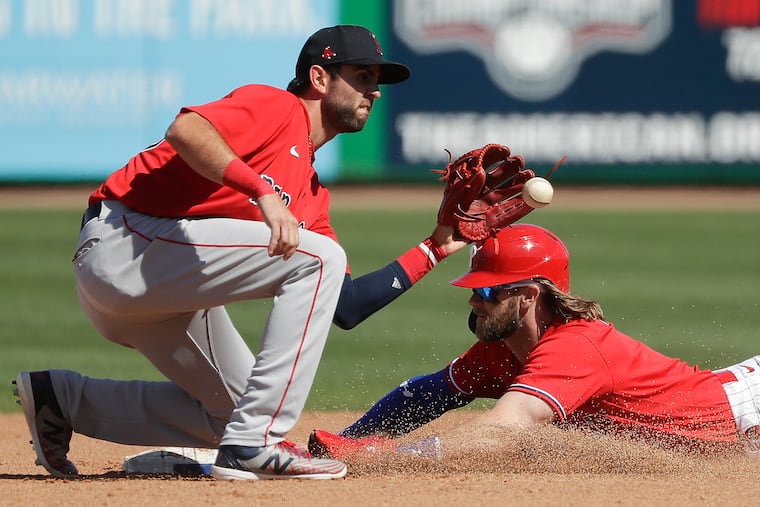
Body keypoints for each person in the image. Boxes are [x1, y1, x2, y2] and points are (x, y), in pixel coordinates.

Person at [12, 25, 468, 481]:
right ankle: (256, 442)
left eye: (376, 81)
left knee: (233, 412)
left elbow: (344, 306)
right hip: (124, 244)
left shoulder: (311, 193)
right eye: (362, 76)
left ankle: (61, 399)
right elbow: (186, 129)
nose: (375, 91)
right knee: (319, 259)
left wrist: (435, 248)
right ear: (320, 78)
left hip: (160, 285)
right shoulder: (277, 107)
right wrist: (261, 192)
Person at [309, 224, 760, 459]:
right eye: (472, 289)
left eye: (487, 291)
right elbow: (426, 395)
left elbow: (506, 428)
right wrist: (348, 441)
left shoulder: (574, 347)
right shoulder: (499, 351)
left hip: (746, 410)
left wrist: (388, 457)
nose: (474, 301)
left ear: (528, 296)